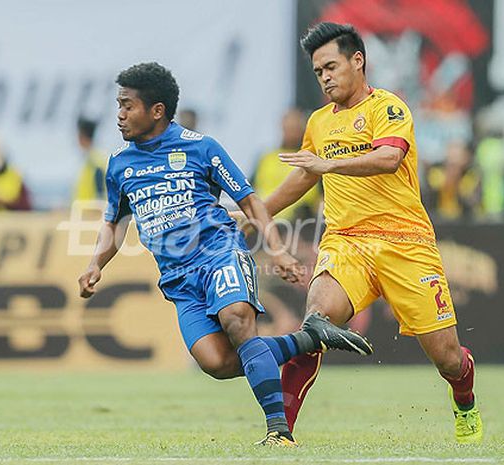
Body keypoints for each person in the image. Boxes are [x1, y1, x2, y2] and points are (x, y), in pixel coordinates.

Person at [77, 62, 372, 447]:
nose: (119, 115)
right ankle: (308, 337)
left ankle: (279, 432)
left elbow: (249, 202)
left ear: (157, 110)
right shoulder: (119, 165)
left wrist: (279, 251)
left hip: (220, 253)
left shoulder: (202, 148)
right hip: (178, 280)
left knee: (237, 320)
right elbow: (115, 224)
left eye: (127, 105)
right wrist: (95, 263)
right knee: (217, 363)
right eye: (118, 105)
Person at [262, 23, 483, 444]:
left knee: (449, 359)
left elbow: (388, 158)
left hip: (406, 242)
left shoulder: (389, 107)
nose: (324, 77)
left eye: (330, 66)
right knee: (315, 324)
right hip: (347, 241)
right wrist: (255, 212)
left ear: (357, 60)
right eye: (317, 72)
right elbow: (304, 177)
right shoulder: (319, 122)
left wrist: (330, 165)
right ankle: (280, 434)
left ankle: (464, 397)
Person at [251, 108, 321, 221]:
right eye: (288, 128)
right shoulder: (266, 157)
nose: (291, 132)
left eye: (294, 128)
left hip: (300, 223)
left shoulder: (312, 158)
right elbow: (251, 188)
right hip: (265, 219)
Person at [424, 141, 481, 219]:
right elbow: (431, 192)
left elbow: (472, 200)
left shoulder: (470, 175)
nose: (453, 166)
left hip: (463, 221)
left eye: (457, 157)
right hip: (438, 219)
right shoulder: (436, 172)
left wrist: (458, 185)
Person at [73, 117, 108, 202]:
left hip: (92, 212)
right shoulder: (92, 159)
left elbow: (100, 194)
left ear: (81, 137)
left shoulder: (94, 162)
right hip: (86, 211)